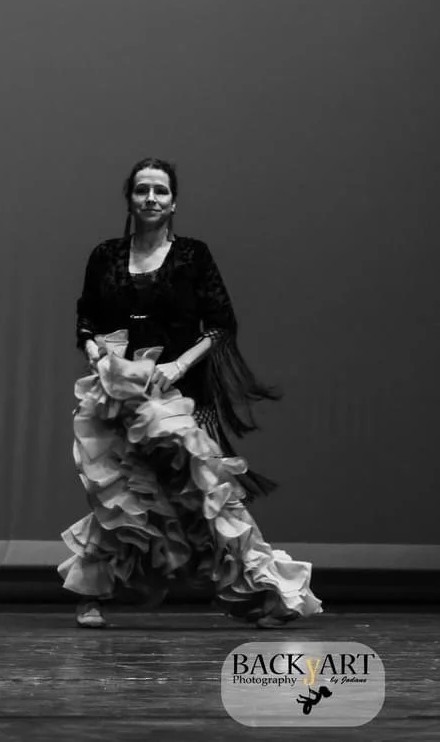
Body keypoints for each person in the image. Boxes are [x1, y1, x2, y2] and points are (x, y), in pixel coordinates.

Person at [59, 158, 321, 628]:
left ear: (174, 201)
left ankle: (267, 592)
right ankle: (92, 594)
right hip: (119, 393)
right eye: (142, 190)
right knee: (121, 493)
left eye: (160, 191)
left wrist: (177, 365)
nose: (151, 199)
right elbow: (86, 321)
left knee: (209, 489)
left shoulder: (193, 256)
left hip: (179, 394)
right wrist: (98, 354)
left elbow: (221, 326)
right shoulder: (105, 255)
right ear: (130, 199)